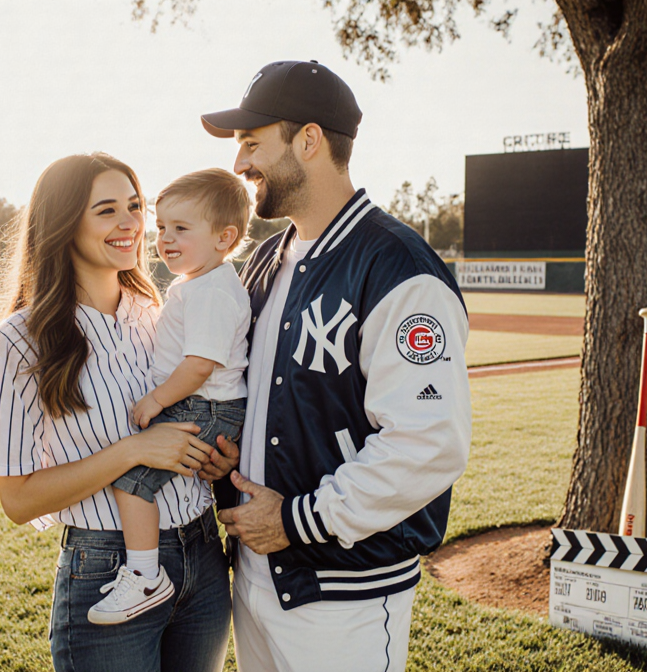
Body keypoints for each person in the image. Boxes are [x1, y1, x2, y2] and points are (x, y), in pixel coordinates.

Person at [202, 61, 472, 671]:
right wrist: (233, 455)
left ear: (309, 140)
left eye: (251, 143)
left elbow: (429, 441)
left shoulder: (398, 267)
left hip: (342, 593)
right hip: (256, 570)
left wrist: (298, 520)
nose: (240, 164)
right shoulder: (268, 256)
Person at [0, 153, 237, 672]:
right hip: (107, 568)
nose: (130, 223)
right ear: (65, 225)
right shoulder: (23, 340)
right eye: (106, 210)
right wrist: (131, 451)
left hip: (202, 554)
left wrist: (212, 460)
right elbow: (18, 500)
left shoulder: (159, 315)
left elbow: (198, 411)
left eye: (135, 206)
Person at [89, 168, 252, 625]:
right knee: (142, 477)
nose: (165, 238)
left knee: (133, 481)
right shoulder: (194, 285)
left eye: (182, 228)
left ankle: (144, 574)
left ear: (225, 237)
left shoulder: (213, 292)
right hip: (202, 401)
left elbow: (201, 364)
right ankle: (149, 569)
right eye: (162, 227)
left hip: (204, 403)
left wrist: (157, 400)